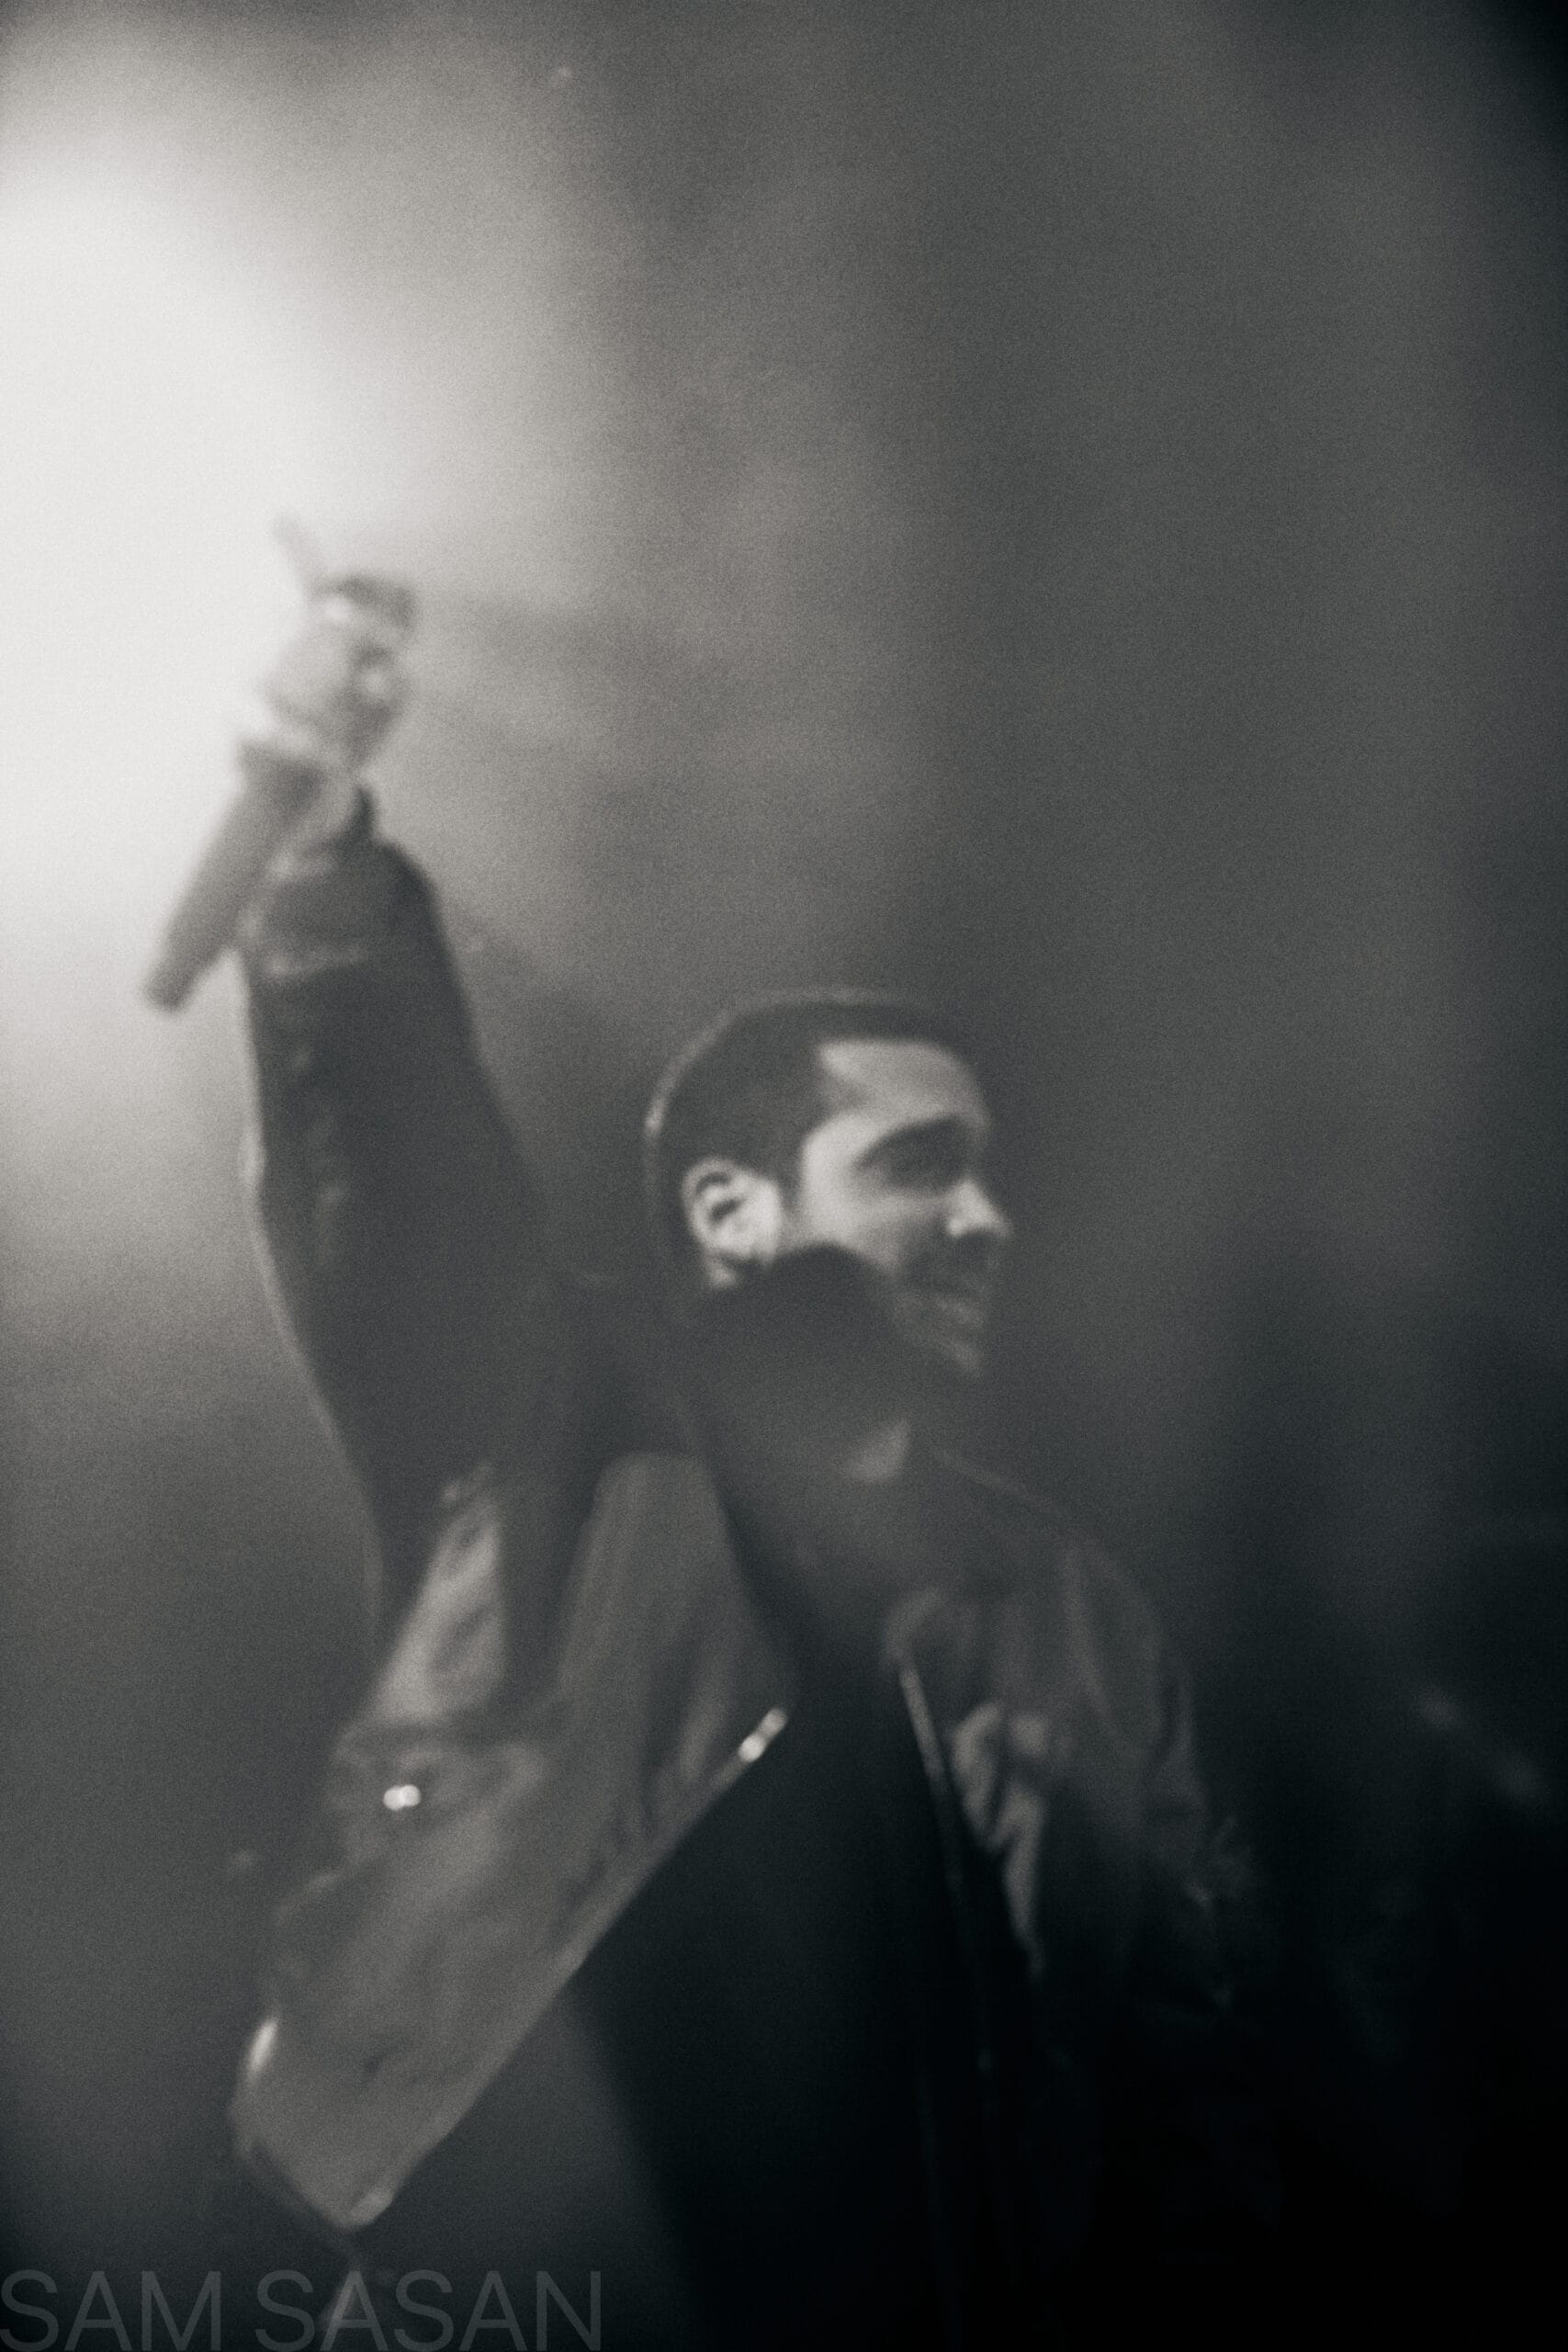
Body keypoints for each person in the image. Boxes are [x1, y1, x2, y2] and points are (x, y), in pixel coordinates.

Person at [209, 601, 1275, 2347]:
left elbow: (1184, 2078)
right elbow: (398, 1200)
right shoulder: (553, 1440)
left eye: (989, 1175)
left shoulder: (1073, 1611)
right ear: (734, 1211)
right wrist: (326, 882)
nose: (985, 1219)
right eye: (919, 1165)